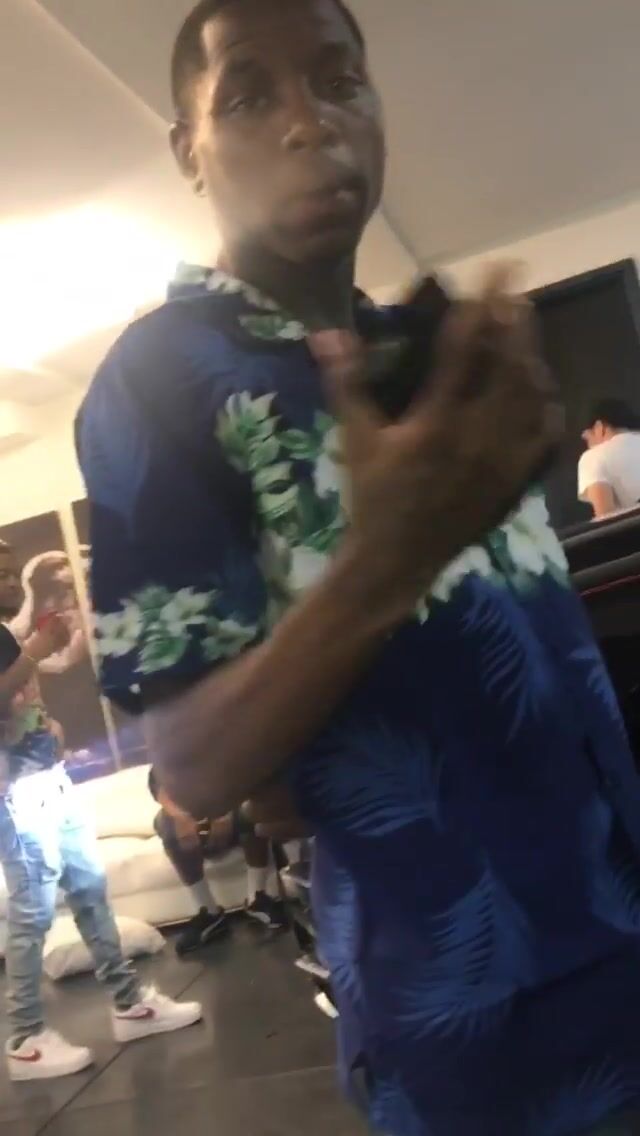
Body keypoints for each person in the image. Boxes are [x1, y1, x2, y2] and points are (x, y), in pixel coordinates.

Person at [76, 1, 640, 1132]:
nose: (309, 122)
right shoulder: (158, 378)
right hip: (481, 1025)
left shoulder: (421, 351)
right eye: (248, 94)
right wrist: (388, 559)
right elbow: (192, 765)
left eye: (339, 80)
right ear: (189, 150)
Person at [0, 541, 202, 1082]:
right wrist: (36, 651)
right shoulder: (15, 641)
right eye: (0, 572)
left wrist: (45, 727)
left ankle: (129, 1003)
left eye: (12, 570)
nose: (12, 580)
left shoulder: (4, 633)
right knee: (32, 910)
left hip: (47, 779)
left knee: (89, 888)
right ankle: (25, 1039)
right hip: (16, 796)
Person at [148, 767, 286, 954]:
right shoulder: (165, 764)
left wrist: (221, 814)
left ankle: (257, 898)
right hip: (190, 826)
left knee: (250, 807)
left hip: (226, 818)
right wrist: (186, 818)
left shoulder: (214, 755)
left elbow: (237, 782)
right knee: (164, 822)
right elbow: (161, 791)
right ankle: (209, 913)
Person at [578, 397, 640, 519]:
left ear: (599, 427)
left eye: (588, 437)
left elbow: (606, 519)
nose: (588, 444)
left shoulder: (594, 456)